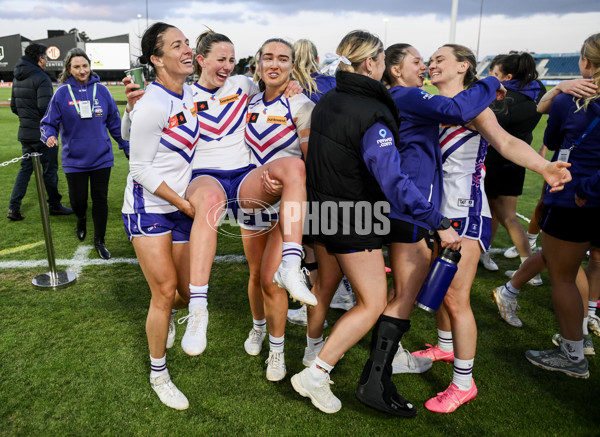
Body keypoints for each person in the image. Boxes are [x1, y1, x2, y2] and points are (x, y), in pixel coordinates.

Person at [290, 30, 455, 416]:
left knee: (325, 286)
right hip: (353, 215)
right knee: (373, 302)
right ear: (372, 64)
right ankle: (316, 371)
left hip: (323, 211)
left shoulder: (329, 98)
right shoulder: (371, 113)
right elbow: (395, 183)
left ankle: (312, 353)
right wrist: (438, 220)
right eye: (382, 60)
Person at [123, 30, 312, 358]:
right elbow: (133, 133)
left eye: (231, 59)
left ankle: (292, 265)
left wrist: (291, 85)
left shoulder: (243, 86)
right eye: (220, 60)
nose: (227, 66)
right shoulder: (183, 93)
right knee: (211, 203)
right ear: (201, 61)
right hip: (203, 179)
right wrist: (130, 108)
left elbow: (273, 86)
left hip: (242, 178)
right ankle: (198, 310)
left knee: (294, 168)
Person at [410, 44, 571, 413]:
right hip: (436, 213)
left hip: (465, 214)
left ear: (463, 66)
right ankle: (444, 346)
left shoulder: (474, 107)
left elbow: (506, 142)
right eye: (430, 60)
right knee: (437, 286)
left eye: (440, 59)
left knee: (455, 297)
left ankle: (464, 383)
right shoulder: (431, 105)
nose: (432, 64)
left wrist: (543, 168)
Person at [122, 22, 198, 410]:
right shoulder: (152, 103)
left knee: (185, 294)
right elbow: (140, 168)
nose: (187, 49)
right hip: (149, 208)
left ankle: (166, 315)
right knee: (165, 292)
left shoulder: (191, 93)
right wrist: (185, 204)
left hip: (181, 207)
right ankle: (159, 374)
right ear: (156, 59)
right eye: (176, 45)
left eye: (187, 43)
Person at [238, 38, 315, 381]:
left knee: (273, 282)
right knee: (255, 276)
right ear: (257, 63)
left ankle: (277, 351)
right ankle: (257, 328)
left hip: (287, 206)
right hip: (254, 202)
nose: (274, 64)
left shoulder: (302, 105)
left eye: (282, 59)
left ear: (292, 65)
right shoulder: (247, 101)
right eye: (267, 57)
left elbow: (311, 164)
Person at [524, 33, 600, 379]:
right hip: (592, 198)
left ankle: (572, 355)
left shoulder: (570, 101)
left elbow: (551, 140)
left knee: (563, 277)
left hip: (574, 195)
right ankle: (578, 338)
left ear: (585, 62)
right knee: (580, 269)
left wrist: (559, 91)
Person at [41, 48, 129, 260]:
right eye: (76, 67)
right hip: (74, 161)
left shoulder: (103, 91)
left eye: (85, 66)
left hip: (101, 158)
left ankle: (100, 240)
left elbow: (115, 125)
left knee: (100, 199)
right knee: (78, 201)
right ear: (69, 69)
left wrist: (127, 146)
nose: (82, 71)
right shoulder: (62, 93)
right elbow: (48, 123)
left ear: (90, 66)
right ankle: (81, 219)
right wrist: (49, 136)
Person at [481, 52, 546, 277]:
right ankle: (487, 252)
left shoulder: (505, 100)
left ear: (508, 76)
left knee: (498, 215)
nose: (491, 78)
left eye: (495, 74)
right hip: (517, 161)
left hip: (495, 163)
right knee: (502, 215)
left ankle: (528, 270)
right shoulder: (537, 91)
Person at [8, 43, 72, 221]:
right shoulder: (41, 78)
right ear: (39, 59)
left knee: (25, 170)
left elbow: (14, 107)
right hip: (44, 133)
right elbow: (45, 107)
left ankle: (13, 208)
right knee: (50, 170)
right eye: (44, 57)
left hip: (25, 132)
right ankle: (55, 205)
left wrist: (27, 119)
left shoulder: (17, 77)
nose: (45, 60)